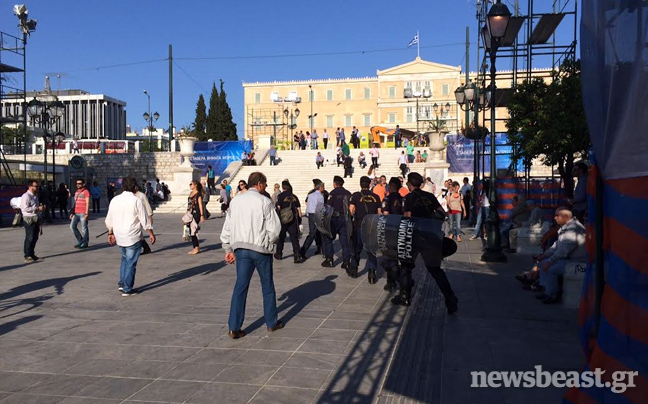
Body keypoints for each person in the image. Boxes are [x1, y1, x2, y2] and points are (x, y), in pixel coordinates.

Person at [221, 172, 283, 339]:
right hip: (260, 250)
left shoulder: (236, 201)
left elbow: (228, 227)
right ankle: (271, 323)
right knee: (267, 287)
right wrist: (269, 243)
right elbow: (275, 229)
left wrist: (228, 249)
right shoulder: (264, 201)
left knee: (240, 287)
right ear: (260, 184)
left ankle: (234, 327)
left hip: (241, 249)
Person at [392, 172, 458, 314]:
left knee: (405, 265)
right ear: (421, 184)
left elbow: (407, 218)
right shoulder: (430, 196)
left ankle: (405, 296)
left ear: (409, 184)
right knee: (435, 269)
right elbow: (442, 213)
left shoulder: (408, 198)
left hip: (414, 237)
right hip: (431, 236)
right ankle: (450, 298)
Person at [105, 175, 155, 296]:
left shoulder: (115, 200)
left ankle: (122, 284)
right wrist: (151, 233)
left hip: (119, 235)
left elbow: (109, 219)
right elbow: (144, 220)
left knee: (124, 259)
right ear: (135, 187)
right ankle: (127, 288)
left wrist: (110, 232)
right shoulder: (136, 200)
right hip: (132, 235)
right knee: (131, 262)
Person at [535, 207, 586, 304]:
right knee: (542, 263)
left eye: (557, 216)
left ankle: (553, 294)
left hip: (577, 261)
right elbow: (557, 245)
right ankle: (547, 291)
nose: (554, 218)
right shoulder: (566, 227)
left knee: (551, 269)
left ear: (566, 217)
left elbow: (564, 250)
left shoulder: (574, 229)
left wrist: (551, 261)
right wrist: (544, 255)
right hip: (568, 258)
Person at [350, 176, 382, 282]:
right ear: (369, 184)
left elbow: (351, 210)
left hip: (360, 225)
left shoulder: (355, 196)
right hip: (372, 226)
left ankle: (354, 268)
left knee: (357, 248)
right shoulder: (376, 197)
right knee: (371, 249)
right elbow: (379, 213)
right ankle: (372, 273)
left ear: (360, 184)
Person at [322, 176, 354, 270]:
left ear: (335, 184)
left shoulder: (332, 193)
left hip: (334, 218)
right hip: (345, 218)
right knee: (345, 240)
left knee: (328, 237)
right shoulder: (348, 193)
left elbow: (328, 207)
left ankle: (329, 259)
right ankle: (346, 261)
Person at [380, 177, 405, 292]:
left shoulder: (388, 199)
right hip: (402, 229)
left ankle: (393, 281)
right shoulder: (403, 199)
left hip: (390, 230)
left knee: (389, 257)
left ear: (392, 186)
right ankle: (400, 279)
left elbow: (385, 214)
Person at [274, 180, 305, 263]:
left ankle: (279, 253)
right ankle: (297, 255)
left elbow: (279, 207)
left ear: (283, 187)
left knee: (281, 237)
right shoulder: (294, 196)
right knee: (294, 238)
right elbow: (299, 210)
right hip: (293, 220)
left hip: (283, 219)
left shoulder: (280, 196)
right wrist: (300, 221)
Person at [21, 180, 44, 263]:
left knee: (35, 237)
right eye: (35, 186)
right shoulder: (26, 196)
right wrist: (37, 208)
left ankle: (32, 253)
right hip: (29, 218)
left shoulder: (35, 195)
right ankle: (27, 255)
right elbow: (25, 208)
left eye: (37, 186)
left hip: (36, 217)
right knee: (29, 237)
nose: (37, 188)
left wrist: (40, 208)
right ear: (30, 187)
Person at [301, 180, 325, 259]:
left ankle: (319, 248)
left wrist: (307, 214)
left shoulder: (310, 195)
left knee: (314, 233)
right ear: (320, 187)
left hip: (311, 214)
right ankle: (303, 250)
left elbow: (308, 205)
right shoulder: (321, 196)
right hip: (317, 214)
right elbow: (321, 207)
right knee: (315, 233)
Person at [70, 178, 91, 249]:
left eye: (80, 183)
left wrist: (86, 213)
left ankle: (85, 242)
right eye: (77, 184)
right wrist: (72, 213)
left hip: (83, 213)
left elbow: (88, 202)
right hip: (76, 212)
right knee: (72, 226)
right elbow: (74, 203)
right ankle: (80, 240)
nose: (78, 185)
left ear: (83, 184)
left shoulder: (86, 192)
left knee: (84, 228)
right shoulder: (76, 192)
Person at [186, 180, 206, 254]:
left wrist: (202, 215)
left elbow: (200, 205)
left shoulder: (198, 194)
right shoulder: (191, 193)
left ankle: (196, 247)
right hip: (190, 214)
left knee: (192, 231)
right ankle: (195, 247)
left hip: (196, 214)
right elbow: (189, 204)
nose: (190, 185)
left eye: (191, 184)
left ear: (195, 185)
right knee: (190, 230)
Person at [134, 183, 154, 255]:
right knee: (139, 234)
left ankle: (144, 248)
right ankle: (146, 248)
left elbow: (147, 205)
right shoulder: (131, 196)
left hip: (142, 216)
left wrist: (150, 216)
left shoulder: (141, 195)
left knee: (138, 233)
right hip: (134, 217)